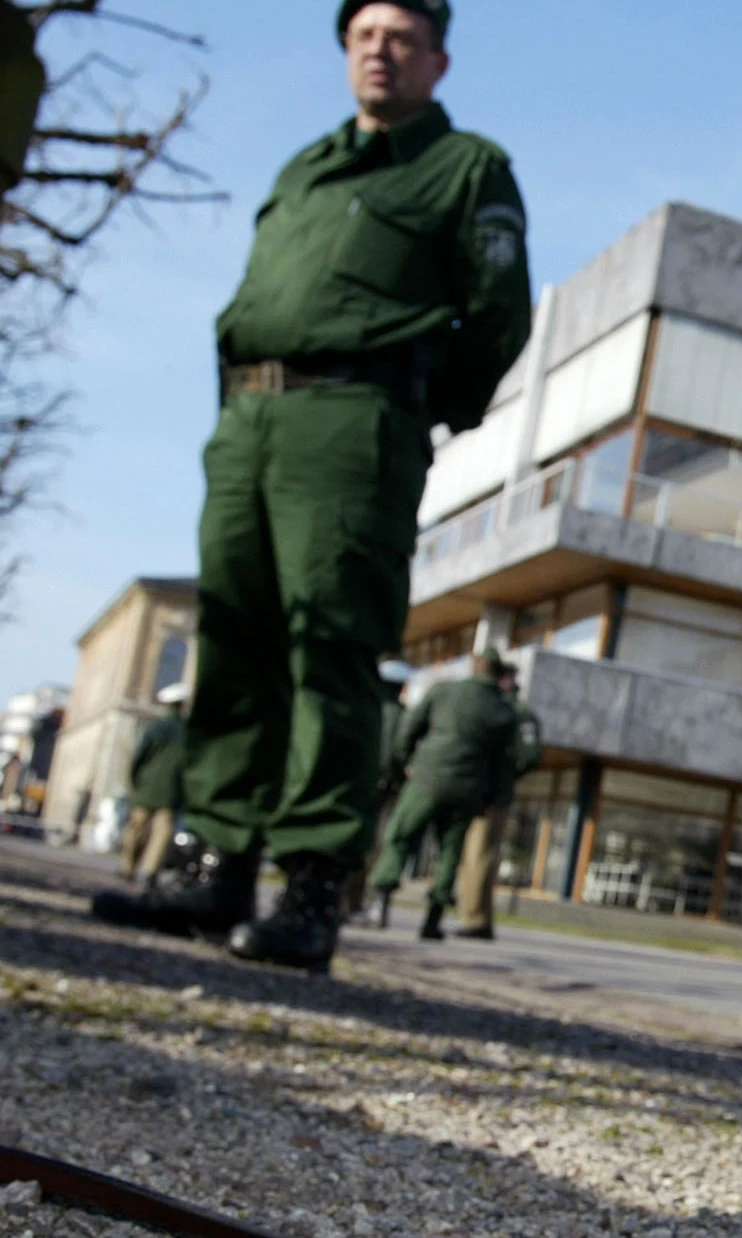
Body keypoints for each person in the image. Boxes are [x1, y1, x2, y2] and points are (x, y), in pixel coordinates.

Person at [90, 0, 530, 972]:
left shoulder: (465, 168)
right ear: (346, 52)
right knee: (237, 640)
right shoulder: (307, 165)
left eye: (403, 37)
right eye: (365, 34)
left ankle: (313, 884)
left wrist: (412, 406)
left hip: (353, 420)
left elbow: (497, 318)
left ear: (438, 60)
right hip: (249, 420)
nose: (381, 50)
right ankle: (215, 864)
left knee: (326, 645)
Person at [370, 652, 518, 939]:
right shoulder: (503, 711)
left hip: (428, 777)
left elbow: (408, 730)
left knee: (400, 836)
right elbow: (504, 764)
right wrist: (490, 799)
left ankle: (381, 905)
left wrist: (407, 764)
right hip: (469, 788)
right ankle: (432, 920)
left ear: (474, 668)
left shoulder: (444, 691)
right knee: (450, 852)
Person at [451, 661, 541, 940]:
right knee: (472, 855)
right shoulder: (496, 707)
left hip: (493, 793)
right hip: (478, 790)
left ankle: (476, 920)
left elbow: (529, 754)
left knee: (480, 855)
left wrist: (506, 774)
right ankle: (472, 915)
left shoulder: (518, 712)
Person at [344, 658, 414, 919]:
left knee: (349, 836)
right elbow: (398, 754)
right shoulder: (402, 715)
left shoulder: (363, 705)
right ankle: (355, 901)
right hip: (384, 788)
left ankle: (339, 896)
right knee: (372, 845)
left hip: (355, 781)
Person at [116, 684, 189, 883]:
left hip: (147, 786)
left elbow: (138, 757)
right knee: (163, 832)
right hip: (173, 789)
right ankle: (151, 871)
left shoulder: (155, 727)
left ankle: (128, 867)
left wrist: (135, 781)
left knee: (136, 828)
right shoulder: (188, 731)